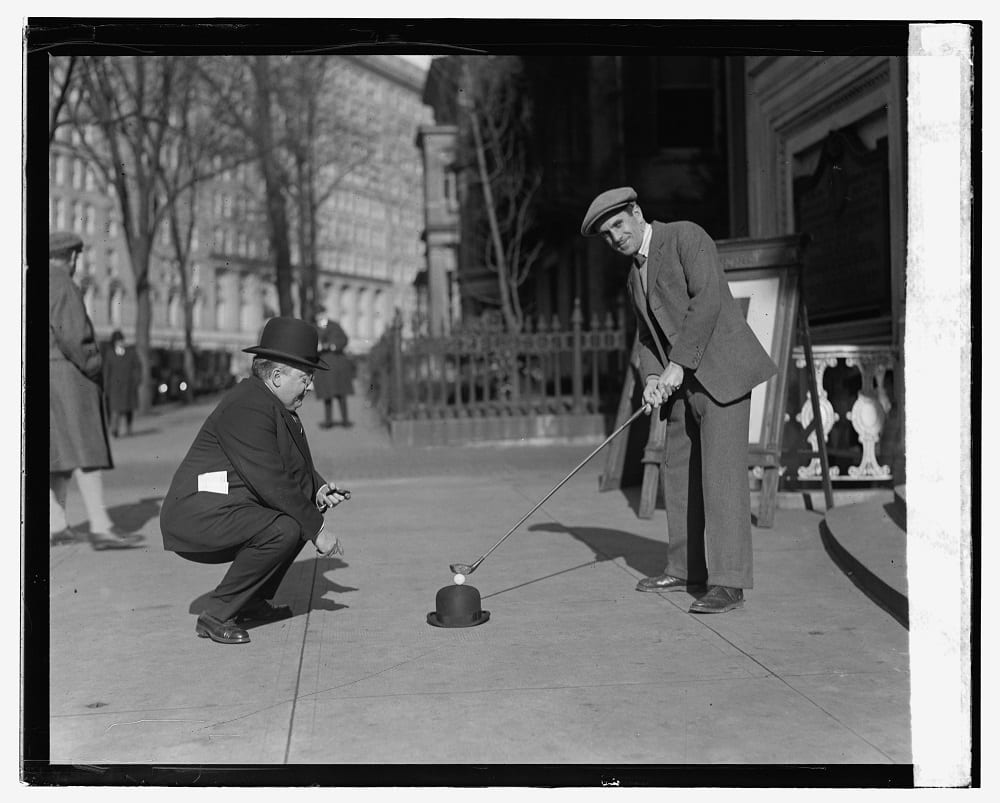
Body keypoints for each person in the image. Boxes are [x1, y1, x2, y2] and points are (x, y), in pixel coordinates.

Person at [581, 188, 777, 614]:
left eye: (618, 225)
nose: (615, 237)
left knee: (721, 481)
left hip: (721, 375)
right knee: (679, 476)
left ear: (636, 213)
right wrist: (652, 376)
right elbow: (646, 335)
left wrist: (677, 365)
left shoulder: (686, 237)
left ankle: (729, 583)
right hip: (680, 386)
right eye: (606, 235)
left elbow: (707, 303)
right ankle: (686, 569)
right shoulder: (635, 274)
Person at [159, 316, 351, 645]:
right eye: (305, 378)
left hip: (224, 505)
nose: (310, 386)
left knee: (296, 518)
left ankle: (251, 602)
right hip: (197, 514)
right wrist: (318, 530)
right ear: (276, 376)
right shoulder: (248, 406)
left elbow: (288, 465)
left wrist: (317, 488)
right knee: (287, 526)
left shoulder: (270, 402)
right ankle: (216, 614)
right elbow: (272, 479)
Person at [49, 231, 144, 550]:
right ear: (70, 257)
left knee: (58, 456)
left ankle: (56, 524)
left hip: (47, 380)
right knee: (86, 451)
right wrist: (94, 364)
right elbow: (74, 336)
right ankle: (101, 528)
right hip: (70, 380)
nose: (77, 261)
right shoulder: (63, 284)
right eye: (75, 256)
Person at [102, 329, 140, 437]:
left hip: (129, 385)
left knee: (129, 409)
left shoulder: (130, 353)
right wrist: (106, 386)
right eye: (118, 341)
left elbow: (137, 367)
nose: (120, 343)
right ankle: (115, 429)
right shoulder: (110, 354)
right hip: (115, 387)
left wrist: (136, 380)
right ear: (114, 342)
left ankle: (129, 429)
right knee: (115, 409)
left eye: (121, 340)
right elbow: (106, 371)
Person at [313, 337, 354, 429]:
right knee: (327, 396)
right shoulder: (317, 330)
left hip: (337, 369)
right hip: (325, 369)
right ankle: (329, 421)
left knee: (341, 396)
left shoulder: (334, 329)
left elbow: (343, 340)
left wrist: (331, 345)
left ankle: (345, 420)